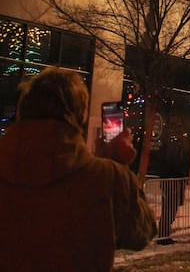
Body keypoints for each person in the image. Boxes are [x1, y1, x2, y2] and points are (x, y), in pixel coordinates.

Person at [0, 68, 157, 271]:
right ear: (81, 116)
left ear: (22, 112)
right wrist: (119, 166)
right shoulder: (106, 178)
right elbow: (141, 231)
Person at [156, 134, 189, 245]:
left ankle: (164, 234)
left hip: (172, 184)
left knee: (170, 210)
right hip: (172, 184)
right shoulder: (172, 155)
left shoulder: (168, 154)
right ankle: (163, 235)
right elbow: (176, 168)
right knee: (169, 211)